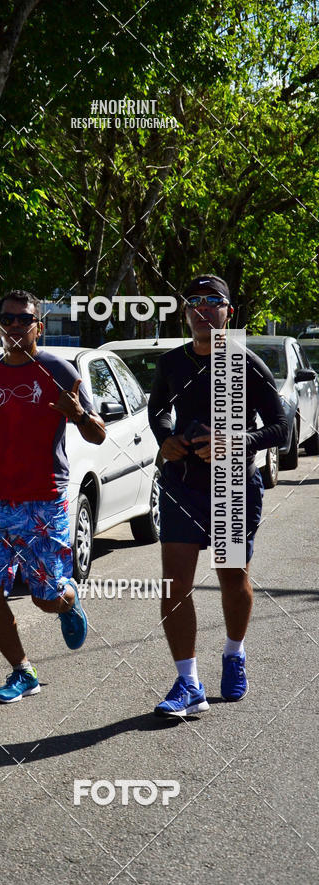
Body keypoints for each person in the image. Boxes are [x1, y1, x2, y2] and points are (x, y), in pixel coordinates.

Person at [0, 289, 105, 702]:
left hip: (44, 502)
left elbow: (98, 434)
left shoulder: (59, 372)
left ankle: (67, 601)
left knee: (44, 598)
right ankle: (22, 671)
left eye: (23, 320)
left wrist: (79, 414)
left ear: (38, 326)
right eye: (7, 319)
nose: (14, 327)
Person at [148, 274, 288, 717]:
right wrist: (165, 438)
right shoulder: (172, 363)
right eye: (195, 302)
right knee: (174, 586)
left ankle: (234, 652)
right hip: (182, 484)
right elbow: (158, 410)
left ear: (229, 313)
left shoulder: (242, 361)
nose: (203, 310)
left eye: (214, 302)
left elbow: (281, 427)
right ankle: (188, 683)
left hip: (230, 485)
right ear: (185, 311)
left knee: (232, 577)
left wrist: (237, 442)